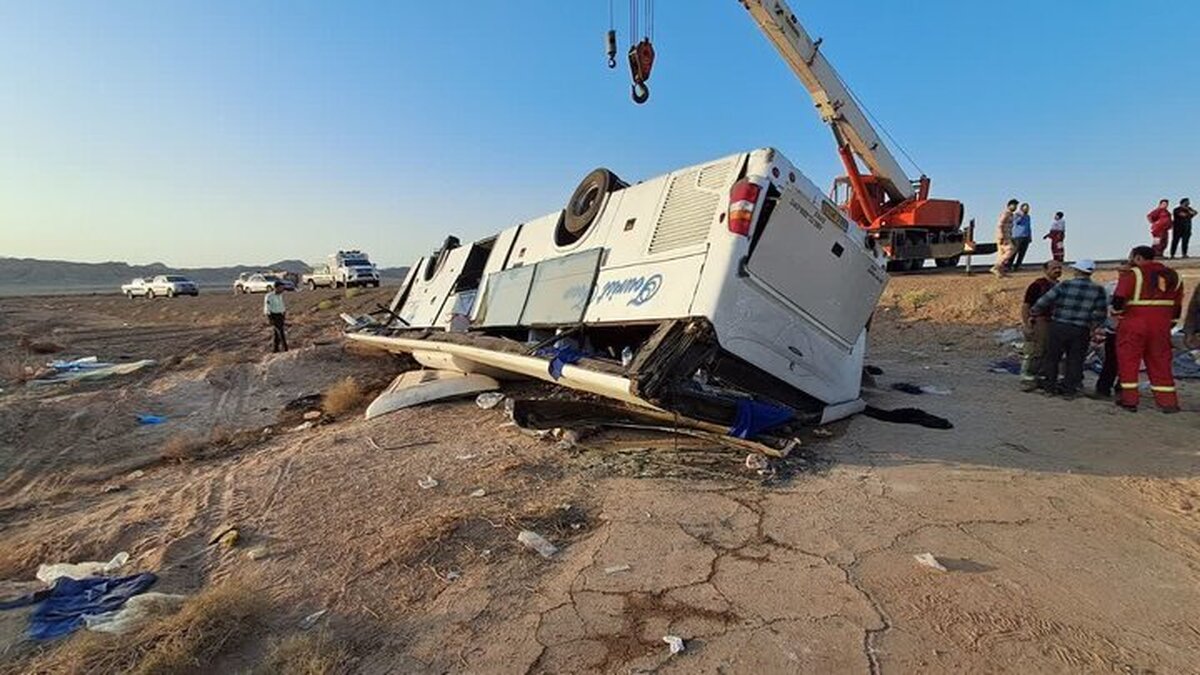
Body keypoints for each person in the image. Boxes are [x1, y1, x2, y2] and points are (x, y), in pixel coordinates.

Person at [1111, 246, 1184, 412]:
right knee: (1160, 361)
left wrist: (1116, 313)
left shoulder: (1132, 274)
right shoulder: (1175, 276)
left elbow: (1119, 299)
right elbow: (1178, 304)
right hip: (1161, 325)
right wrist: (1171, 322)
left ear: (1137, 257)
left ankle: (1129, 400)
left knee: (1129, 361)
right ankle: (1168, 402)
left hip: (1134, 323)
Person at [1031, 259, 1108, 398]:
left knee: (1053, 358)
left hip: (1059, 326)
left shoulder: (1065, 285)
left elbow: (1043, 301)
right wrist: (1093, 326)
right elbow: (1101, 314)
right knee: (1075, 360)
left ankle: (1049, 388)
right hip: (1081, 329)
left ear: (1077, 271)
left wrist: (1034, 312)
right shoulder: (1098, 290)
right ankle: (1069, 391)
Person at [1020, 260, 1063, 391]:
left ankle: (1044, 377)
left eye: (1059, 268)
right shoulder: (1037, 285)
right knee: (1037, 350)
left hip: (1055, 322)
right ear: (1045, 270)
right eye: (1054, 268)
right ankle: (1029, 378)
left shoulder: (1061, 286)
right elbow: (1026, 305)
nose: (1057, 270)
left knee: (1051, 351)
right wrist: (1027, 324)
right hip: (1040, 321)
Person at [1092, 261, 1130, 400]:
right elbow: (1103, 307)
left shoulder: (1138, 287)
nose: (1122, 274)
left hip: (1130, 331)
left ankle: (1122, 389)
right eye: (1120, 271)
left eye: (1125, 271)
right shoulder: (1110, 287)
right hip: (1113, 329)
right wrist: (1099, 326)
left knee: (1128, 362)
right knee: (1110, 361)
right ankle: (1103, 389)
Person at [992, 199, 1019, 277]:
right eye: (1013, 205)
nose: (1015, 207)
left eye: (1016, 205)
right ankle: (996, 267)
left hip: (1007, 236)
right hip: (1003, 236)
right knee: (1010, 250)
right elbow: (1000, 225)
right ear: (1009, 205)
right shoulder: (1006, 213)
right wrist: (1001, 235)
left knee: (1001, 254)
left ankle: (1000, 272)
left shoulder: (1011, 215)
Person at [264, 280, 289, 353]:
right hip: (273, 315)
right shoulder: (269, 296)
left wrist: (284, 313)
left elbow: (281, 305)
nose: (282, 289)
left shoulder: (280, 295)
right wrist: (269, 318)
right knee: (280, 332)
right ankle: (285, 348)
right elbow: (267, 307)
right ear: (276, 288)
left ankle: (275, 349)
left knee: (276, 333)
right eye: (281, 288)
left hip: (280, 315)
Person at [1011, 203, 1033, 271]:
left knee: (1022, 253)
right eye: (1025, 207)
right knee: (1014, 252)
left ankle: (1017, 266)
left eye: (1027, 208)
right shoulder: (1016, 215)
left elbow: (1029, 226)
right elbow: (1017, 222)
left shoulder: (1028, 216)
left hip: (1026, 236)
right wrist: (1022, 215)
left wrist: (1030, 236)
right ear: (1021, 208)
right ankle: (1008, 265)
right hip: (1017, 236)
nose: (1026, 209)